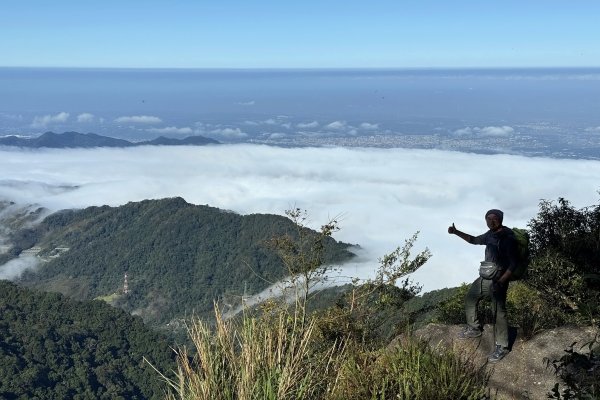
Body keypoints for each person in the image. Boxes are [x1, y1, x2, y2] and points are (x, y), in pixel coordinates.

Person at [448, 209, 518, 363]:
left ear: (500, 219)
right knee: (470, 298)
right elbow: (473, 240)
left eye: (494, 219)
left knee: (499, 312)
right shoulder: (489, 235)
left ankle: (502, 347)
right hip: (485, 276)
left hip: (499, 278)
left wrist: (501, 282)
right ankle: (474, 328)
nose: (491, 221)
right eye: (488, 219)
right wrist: (456, 232)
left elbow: (514, 263)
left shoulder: (508, 237)